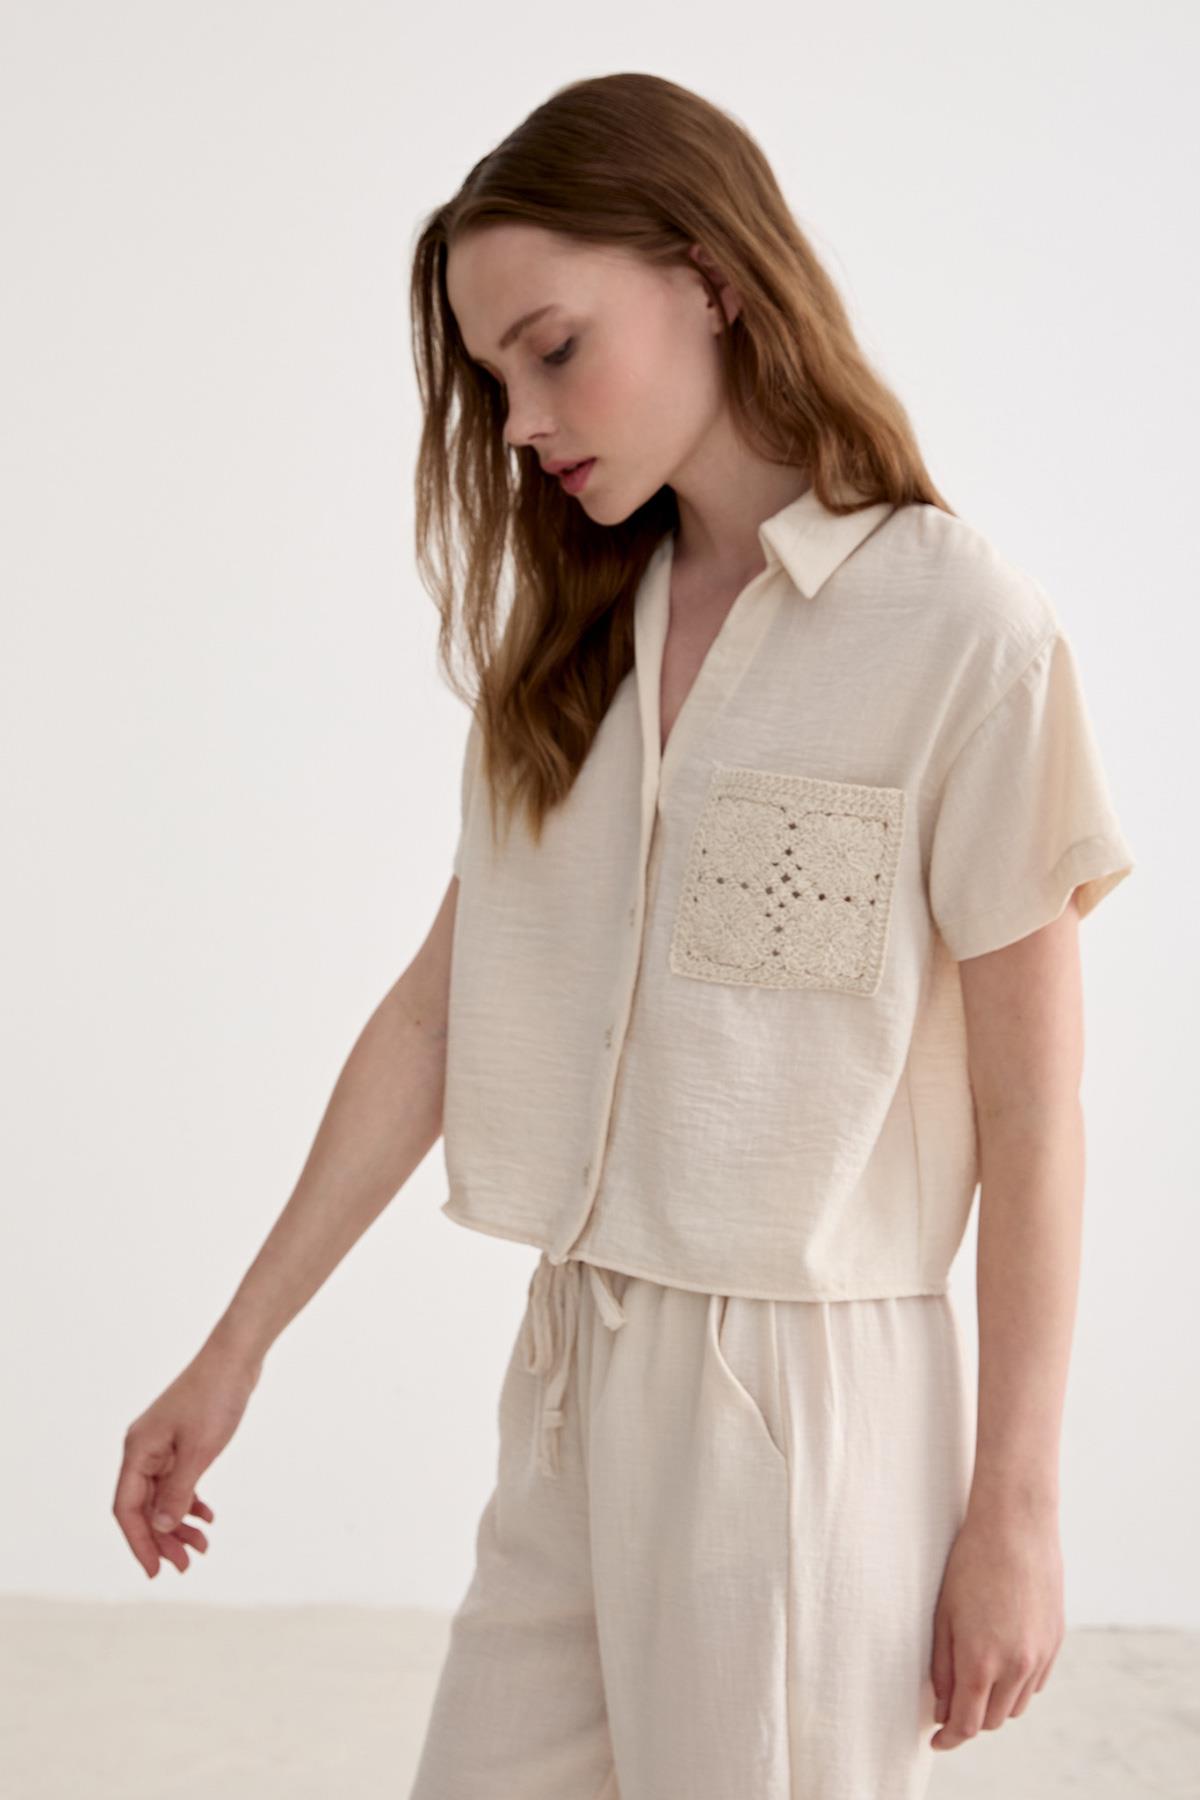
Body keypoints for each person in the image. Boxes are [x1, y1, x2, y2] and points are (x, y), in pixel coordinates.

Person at [113, 71, 1136, 1800]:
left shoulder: (961, 635)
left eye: (553, 349)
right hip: (574, 1365)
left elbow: (1036, 1112)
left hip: (803, 1401)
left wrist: (1015, 1507)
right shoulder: (581, 638)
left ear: (711, 278)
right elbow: (440, 1017)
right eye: (493, 378)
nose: (520, 420)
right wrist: (236, 1348)